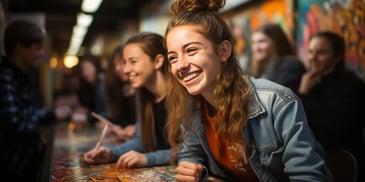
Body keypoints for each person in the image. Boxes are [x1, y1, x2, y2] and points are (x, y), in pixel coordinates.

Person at [164, 0, 333, 181]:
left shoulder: (277, 102)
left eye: (191, 50)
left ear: (223, 51)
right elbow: (191, 153)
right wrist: (191, 167)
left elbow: (309, 177)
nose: (180, 65)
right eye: (173, 58)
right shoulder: (193, 107)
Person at [83, 32, 171, 168]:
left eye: (133, 62)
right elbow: (140, 141)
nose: (126, 70)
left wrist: (147, 159)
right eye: (125, 62)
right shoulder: (145, 95)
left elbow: (192, 151)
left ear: (157, 61)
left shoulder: (182, 97)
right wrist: (111, 153)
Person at [0, 20, 71, 181]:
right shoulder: (5, 78)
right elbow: (14, 123)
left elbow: (27, 114)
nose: (41, 53)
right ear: (19, 49)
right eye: (37, 49)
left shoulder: (19, 76)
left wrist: (52, 114)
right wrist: (38, 132)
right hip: (12, 168)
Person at [299, 31, 365, 182]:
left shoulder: (352, 86)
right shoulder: (310, 81)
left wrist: (304, 95)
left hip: (344, 163)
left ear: (337, 57)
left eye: (320, 53)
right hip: (315, 161)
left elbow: (333, 130)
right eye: (310, 52)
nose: (312, 58)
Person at [249, 23, 306, 93]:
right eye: (253, 42)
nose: (256, 48)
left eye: (262, 41)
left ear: (276, 42)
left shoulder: (290, 66)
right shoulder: (260, 68)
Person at [103, 44, 138, 141]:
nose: (117, 69)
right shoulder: (120, 89)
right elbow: (121, 120)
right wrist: (114, 127)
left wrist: (137, 130)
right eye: (115, 65)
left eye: (122, 62)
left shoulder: (142, 88)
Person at [71, 55, 108, 125]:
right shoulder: (94, 85)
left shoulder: (102, 85)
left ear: (96, 67)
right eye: (83, 70)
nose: (85, 73)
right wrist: (87, 111)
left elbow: (108, 113)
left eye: (87, 69)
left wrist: (86, 117)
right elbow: (98, 110)